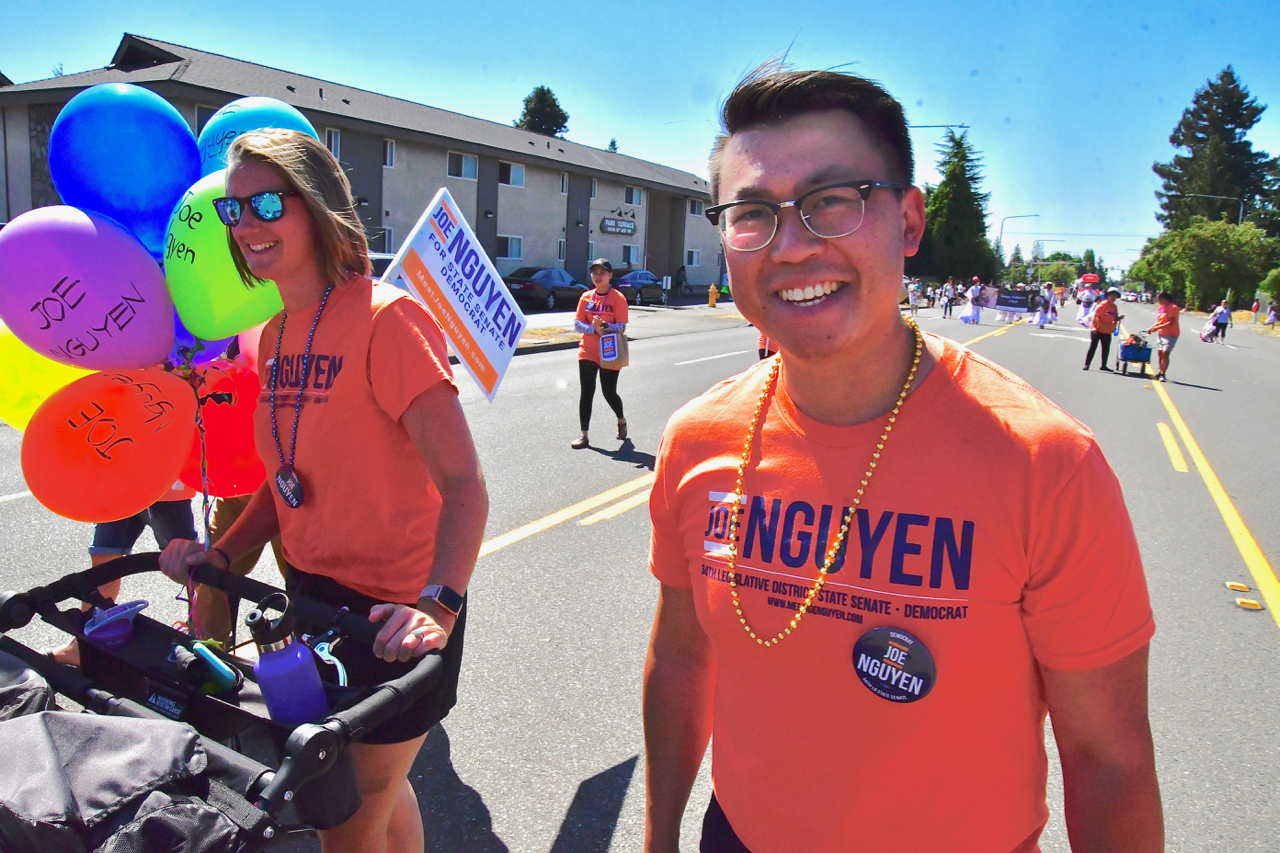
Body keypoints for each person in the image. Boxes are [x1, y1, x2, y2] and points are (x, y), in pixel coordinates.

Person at [645, 65, 1161, 853]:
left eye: (831, 202)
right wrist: (659, 837)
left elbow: (1111, 761)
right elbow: (681, 661)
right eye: (752, 213)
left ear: (910, 223)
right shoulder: (696, 439)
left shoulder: (1045, 463)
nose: (789, 246)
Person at [158, 128, 488, 853]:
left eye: (267, 203)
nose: (245, 225)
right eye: (233, 210)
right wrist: (221, 554)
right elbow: (286, 486)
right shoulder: (275, 334)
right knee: (372, 792)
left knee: (342, 818)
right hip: (309, 599)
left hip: (395, 619)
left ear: (316, 206)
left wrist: (438, 606)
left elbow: (465, 486)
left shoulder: (387, 318)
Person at [50, 488, 198, 665]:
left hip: (166, 487)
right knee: (103, 557)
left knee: (186, 562)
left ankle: (206, 639)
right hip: (121, 484)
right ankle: (83, 646)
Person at [572, 258, 628, 449]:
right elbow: (578, 324)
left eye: (602, 273)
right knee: (586, 392)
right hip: (588, 350)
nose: (597, 276)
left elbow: (621, 326)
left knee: (609, 392)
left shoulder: (618, 298)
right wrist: (593, 329)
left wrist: (605, 326)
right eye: (594, 273)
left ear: (610, 276)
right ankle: (584, 435)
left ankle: (621, 419)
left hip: (610, 351)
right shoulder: (586, 297)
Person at [1084, 286, 1124, 371]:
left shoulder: (1114, 307)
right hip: (1097, 329)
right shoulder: (1102, 305)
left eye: (1115, 296)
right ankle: (1087, 364)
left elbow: (1114, 317)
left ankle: (1103, 365)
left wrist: (1118, 318)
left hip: (1107, 330)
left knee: (1106, 348)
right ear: (1108, 296)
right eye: (1112, 295)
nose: (1113, 297)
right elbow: (1095, 316)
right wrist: (1094, 327)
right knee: (1093, 347)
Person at [1147, 291, 1181, 382]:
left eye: (1159, 299)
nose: (1158, 301)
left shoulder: (1173, 308)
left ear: (1164, 299)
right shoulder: (1161, 308)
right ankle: (1160, 372)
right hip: (1162, 333)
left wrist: (1157, 327)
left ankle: (1163, 374)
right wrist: (1152, 328)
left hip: (1171, 334)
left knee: (1165, 353)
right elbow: (1159, 320)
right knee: (1160, 353)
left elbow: (1171, 322)